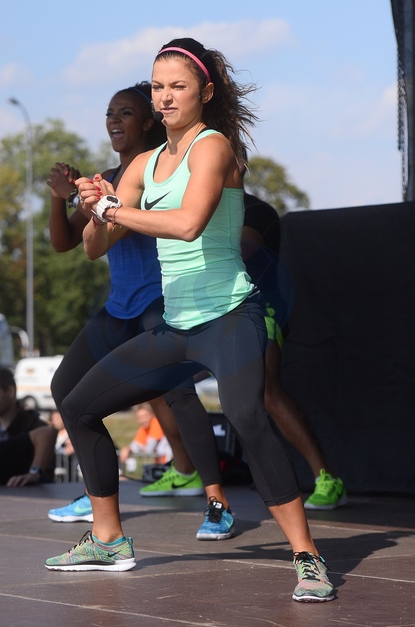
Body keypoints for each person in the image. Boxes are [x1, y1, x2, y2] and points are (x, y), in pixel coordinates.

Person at [45, 38, 335, 603]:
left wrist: (114, 208)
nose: (165, 96)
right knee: (78, 405)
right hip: (176, 326)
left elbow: (188, 224)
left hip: (230, 317)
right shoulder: (144, 165)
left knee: (247, 415)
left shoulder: (214, 147)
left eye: (178, 86)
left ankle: (307, 556)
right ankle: (108, 539)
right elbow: (94, 248)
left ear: (204, 92)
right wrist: (93, 205)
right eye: (158, 86)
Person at [46, 81, 229, 528]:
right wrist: (60, 198)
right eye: (110, 113)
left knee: (178, 394)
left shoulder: (156, 171)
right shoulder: (107, 178)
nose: (114, 120)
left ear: (148, 121)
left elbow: (117, 225)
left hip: (158, 303)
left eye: (125, 113)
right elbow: (66, 242)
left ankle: (217, 502)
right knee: (64, 389)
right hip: (119, 308)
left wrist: (91, 202)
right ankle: (97, 492)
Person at [241, 186, 347, 510]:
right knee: (168, 382)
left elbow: (241, 251)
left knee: (267, 392)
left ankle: (327, 479)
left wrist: (189, 227)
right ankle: (189, 472)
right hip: (213, 312)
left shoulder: (257, 211)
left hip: (262, 307)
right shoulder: (196, 205)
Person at [0, 367, 57, 487]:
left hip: (29, 495)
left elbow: (48, 436)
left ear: (10, 392)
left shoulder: (33, 425)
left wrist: (34, 473)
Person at [119, 402, 172, 466]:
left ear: (152, 415)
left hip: (169, 462)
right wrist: (128, 449)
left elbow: (149, 449)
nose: (143, 420)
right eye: (140, 417)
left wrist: (141, 449)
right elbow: (136, 445)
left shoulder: (156, 423)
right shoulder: (143, 429)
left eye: (145, 416)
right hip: (160, 463)